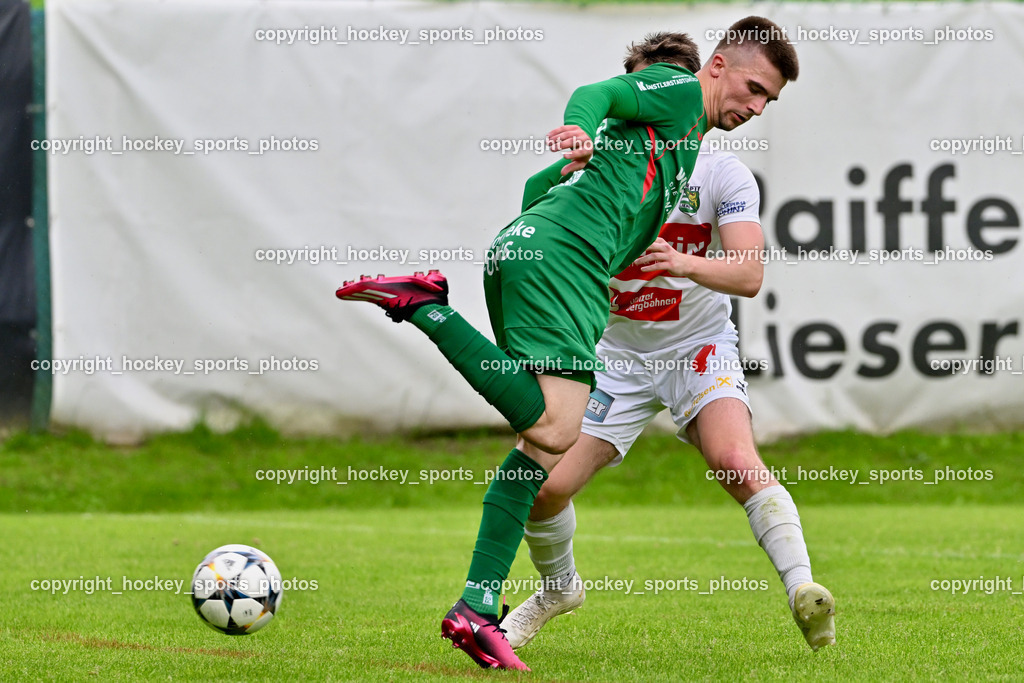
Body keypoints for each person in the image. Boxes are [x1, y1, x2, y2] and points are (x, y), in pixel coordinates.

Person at [336, 17, 797, 670]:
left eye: (767, 100)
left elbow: (533, 192)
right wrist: (583, 132)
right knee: (554, 428)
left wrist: (570, 209)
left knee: (542, 440)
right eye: (754, 90)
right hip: (561, 265)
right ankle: (430, 308)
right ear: (715, 67)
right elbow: (597, 92)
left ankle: (476, 603)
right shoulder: (679, 92)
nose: (755, 108)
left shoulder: (678, 147)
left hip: (520, 251)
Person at [502, 127, 836, 656]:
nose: (651, 108)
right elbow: (535, 234)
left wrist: (682, 262)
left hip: (698, 347)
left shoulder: (720, 172)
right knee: (543, 490)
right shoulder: (601, 167)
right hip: (615, 356)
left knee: (734, 460)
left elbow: (749, 274)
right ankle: (559, 590)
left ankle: (803, 589)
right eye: (640, 97)